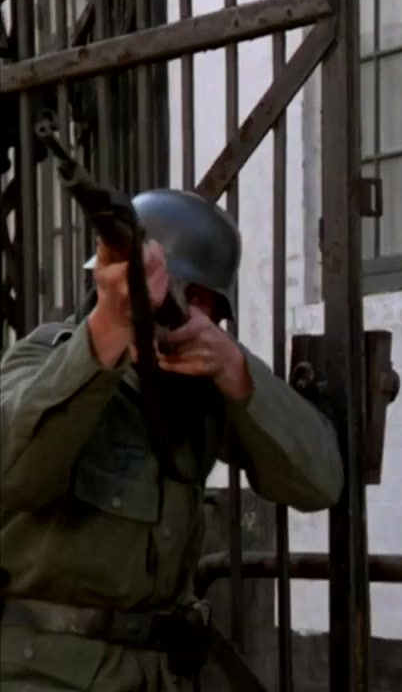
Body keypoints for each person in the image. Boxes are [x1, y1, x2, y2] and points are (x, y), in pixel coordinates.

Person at [0, 189, 345, 691]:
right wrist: (107, 333)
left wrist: (239, 375)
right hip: (41, 675)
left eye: (201, 302)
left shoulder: (200, 389)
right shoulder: (43, 357)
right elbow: (13, 474)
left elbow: (320, 482)